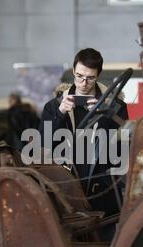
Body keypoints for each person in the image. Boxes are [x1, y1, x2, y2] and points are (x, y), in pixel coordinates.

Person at [39, 48, 128, 222]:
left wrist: (103, 116)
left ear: (99, 75)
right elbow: (44, 143)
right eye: (79, 76)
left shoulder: (116, 106)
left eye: (90, 78)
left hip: (104, 189)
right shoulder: (53, 106)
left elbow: (121, 147)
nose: (84, 83)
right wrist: (59, 114)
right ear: (73, 70)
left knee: (106, 238)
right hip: (67, 188)